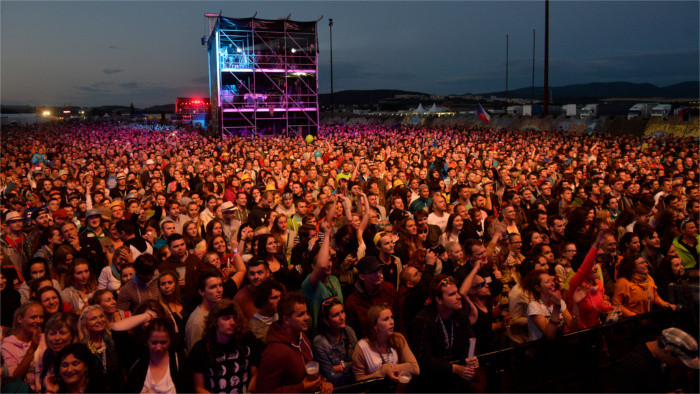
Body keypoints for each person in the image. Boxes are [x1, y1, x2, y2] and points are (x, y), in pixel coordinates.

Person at [411, 275, 486, 393]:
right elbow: (423, 359)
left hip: (458, 373)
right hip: (432, 380)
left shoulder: (460, 313)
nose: (458, 297)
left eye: (457, 292)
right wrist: (454, 368)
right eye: (452, 294)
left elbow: (471, 338)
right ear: (439, 300)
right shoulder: (423, 320)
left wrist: (471, 356)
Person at [256, 292, 333, 393]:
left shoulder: (302, 337)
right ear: (286, 320)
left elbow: (307, 372)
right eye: (301, 315)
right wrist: (301, 388)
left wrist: (321, 381)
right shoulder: (274, 352)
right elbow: (263, 392)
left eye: (306, 312)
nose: (307, 317)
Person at [189, 299, 261, 392]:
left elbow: (255, 374)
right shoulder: (201, 349)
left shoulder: (248, 340)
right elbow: (199, 387)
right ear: (215, 322)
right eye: (226, 318)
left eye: (234, 318)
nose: (232, 322)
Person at [618, 327, 699, 393]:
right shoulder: (634, 363)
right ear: (667, 350)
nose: (681, 364)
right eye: (680, 361)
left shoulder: (664, 360)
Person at [351, 304, 420, 382]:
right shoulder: (362, 347)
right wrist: (382, 373)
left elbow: (415, 368)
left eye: (392, 317)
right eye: (386, 319)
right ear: (375, 325)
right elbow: (359, 380)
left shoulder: (398, 338)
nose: (391, 322)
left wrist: (389, 367)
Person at [125, 317, 192, 393]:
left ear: (170, 341)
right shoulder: (138, 364)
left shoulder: (179, 363)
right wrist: (146, 315)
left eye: (163, 343)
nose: (158, 348)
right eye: (154, 343)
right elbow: (116, 330)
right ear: (147, 341)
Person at [301, 220, 343, 332]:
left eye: (330, 260)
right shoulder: (309, 283)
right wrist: (327, 234)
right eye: (325, 260)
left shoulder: (334, 279)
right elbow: (322, 265)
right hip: (319, 335)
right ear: (313, 265)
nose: (328, 264)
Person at [522, 269, 581, 341]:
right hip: (540, 349)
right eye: (547, 282)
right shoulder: (534, 305)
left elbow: (574, 328)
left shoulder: (560, 301)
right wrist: (556, 308)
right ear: (538, 288)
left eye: (552, 280)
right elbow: (550, 335)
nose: (552, 283)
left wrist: (575, 304)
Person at [312, 296, 358, 386]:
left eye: (342, 312)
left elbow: (360, 363)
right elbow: (331, 377)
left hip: (354, 384)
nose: (342, 317)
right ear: (326, 320)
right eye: (336, 315)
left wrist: (341, 367)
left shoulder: (349, 331)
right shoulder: (320, 342)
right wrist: (351, 366)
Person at [344, 256, 397, 333]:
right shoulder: (353, 302)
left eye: (379, 270)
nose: (378, 274)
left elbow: (398, 317)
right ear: (362, 277)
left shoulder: (388, 289)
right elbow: (353, 331)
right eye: (373, 272)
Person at [77, 304, 122, 391]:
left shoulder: (114, 341)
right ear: (85, 324)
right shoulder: (81, 348)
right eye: (93, 319)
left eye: (101, 316)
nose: (99, 321)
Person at [1, 302, 45, 388]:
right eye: (33, 317)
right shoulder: (7, 347)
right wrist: (32, 348)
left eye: (41, 317)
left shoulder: (46, 338)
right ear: (20, 319)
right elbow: (13, 381)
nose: (38, 321)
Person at [34, 313, 78, 392]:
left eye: (62, 333)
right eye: (52, 333)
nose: (57, 338)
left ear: (71, 336)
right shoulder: (48, 354)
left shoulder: (78, 357)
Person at [185, 269, 223, 351]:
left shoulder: (220, 309)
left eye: (220, 285)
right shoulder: (197, 322)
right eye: (213, 287)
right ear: (201, 292)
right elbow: (196, 356)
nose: (219, 290)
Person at [250, 278, 285, 344]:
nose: (279, 301)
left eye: (280, 296)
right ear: (263, 301)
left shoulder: (283, 315)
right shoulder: (254, 328)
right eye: (274, 298)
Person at [156, 270, 189, 335]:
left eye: (170, 282)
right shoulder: (160, 307)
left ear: (176, 284)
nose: (167, 286)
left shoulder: (184, 299)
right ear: (159, 288)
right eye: (163, 284)